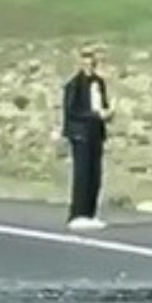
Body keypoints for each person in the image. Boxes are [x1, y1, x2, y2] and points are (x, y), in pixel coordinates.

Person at [62, 46, 115, 231]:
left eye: (93, 64)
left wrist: (107, 113)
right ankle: (78, 213)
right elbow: (72, 111)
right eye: (87, 63)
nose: (90, 67)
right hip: (80, 135)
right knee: (82, 174)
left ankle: (91, 213)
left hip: (95, 135)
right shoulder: (74, 85)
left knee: (95, 174)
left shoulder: (99, 83)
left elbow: (103, 105)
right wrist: (93, 116)